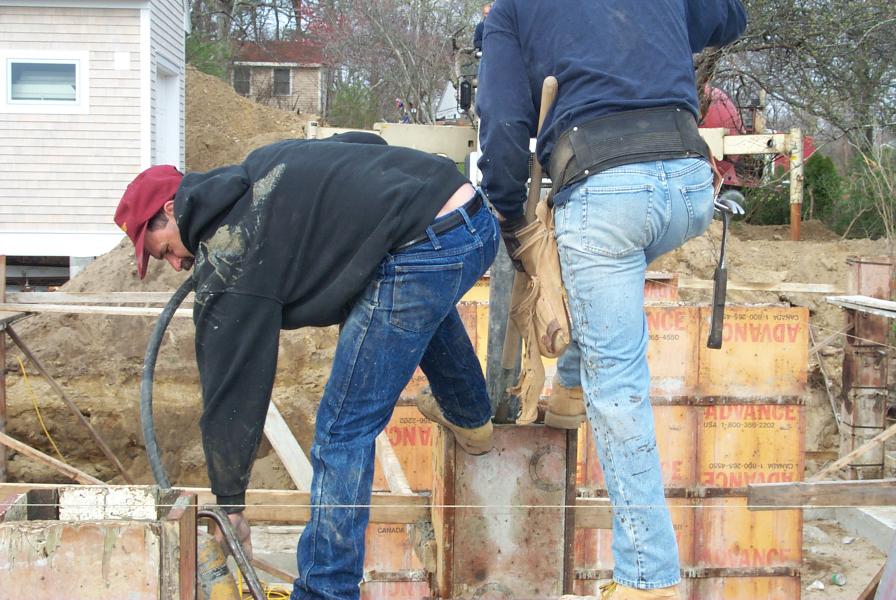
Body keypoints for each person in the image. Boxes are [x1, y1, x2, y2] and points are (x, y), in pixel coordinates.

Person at [114, 133, 499, 600]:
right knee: (418, 304)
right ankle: (471, 416)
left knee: (341, 430)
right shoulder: (261, 165)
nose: (176, 265)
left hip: (427, 247)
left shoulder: (233, 260)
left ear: (172, 209)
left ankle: (325, 592)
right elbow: (362, 141)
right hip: (472, 219)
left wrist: (230, 503)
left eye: (165, 250)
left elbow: (231, 388)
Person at [476, 2, 747, 599]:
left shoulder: (510, 11)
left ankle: (648, 580)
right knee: (603, 285)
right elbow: (728, 17)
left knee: (619, 383)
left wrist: (508, 211)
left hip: (607, 193)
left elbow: (501, 123)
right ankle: (569, 389)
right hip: (689, 188)